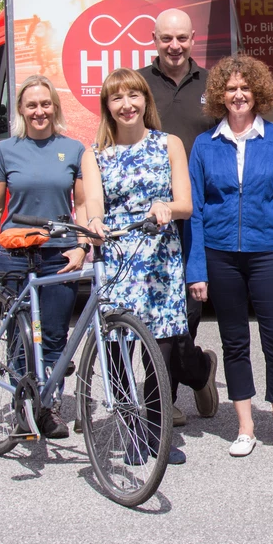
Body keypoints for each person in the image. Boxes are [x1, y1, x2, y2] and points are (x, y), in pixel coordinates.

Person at [186, 55, 273, 457]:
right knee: (234, 341)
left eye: (245, 88)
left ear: (257, 93)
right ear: (219, 96)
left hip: (267, 254)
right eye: (230, 89)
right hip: (220, 254)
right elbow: (194, 211)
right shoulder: (204, 145)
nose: (238, 95)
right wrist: (197, 271)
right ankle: (245, 427)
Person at [81, 68, 192, 465]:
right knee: (116, 349)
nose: (126, 105)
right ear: (107, 107)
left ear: (146, 100)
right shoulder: (94, 154)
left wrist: (167, 207)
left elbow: (186, 203)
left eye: (133, 96)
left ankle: (157, 434)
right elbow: (94, 201)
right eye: (117, 98)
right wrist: (94, 221)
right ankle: (130, 431)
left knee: (159, 354)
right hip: (117, 257)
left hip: (159, 259)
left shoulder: (169, 144)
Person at [0, 74, 87, 439]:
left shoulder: (73, 149)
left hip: (59, 254)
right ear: (22, 111)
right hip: (15, 253)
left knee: (55, 336)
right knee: (21, 336)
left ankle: (49, 407)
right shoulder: (5, 151)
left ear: (54, 108)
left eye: (45, 104)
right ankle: (23, 408)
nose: (39, 111)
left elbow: (84, 204)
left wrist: (81, 245)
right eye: (31, 105)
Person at [138, 7, 220, 427]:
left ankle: (196, 370)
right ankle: (169, 393)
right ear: (154, 39)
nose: (174, 46)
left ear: (192, 40)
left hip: (197, 214)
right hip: (147, 218)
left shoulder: (212, 85)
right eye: (166, 38)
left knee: (186, 310)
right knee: (150, 313)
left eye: (182, 39)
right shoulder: (138, 85)